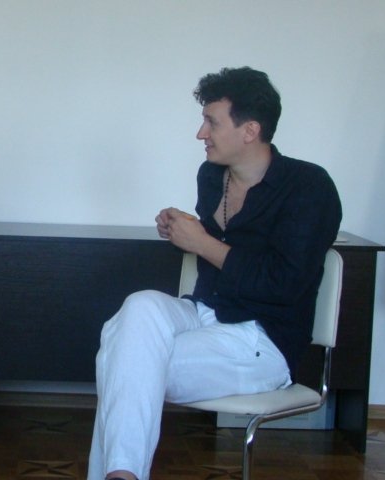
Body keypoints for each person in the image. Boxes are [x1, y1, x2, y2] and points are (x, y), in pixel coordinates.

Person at [87, 66, 342, 480]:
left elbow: (285, 284)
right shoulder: (211, 176)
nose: (200, 134)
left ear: (250, 130)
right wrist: (182, 231)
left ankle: (119, 475)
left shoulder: (309, 187)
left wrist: (202, 243)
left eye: (212, 122)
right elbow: (218, 249)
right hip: (204, 311)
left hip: (264, 339)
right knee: (140, 307)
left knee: (121, 358)